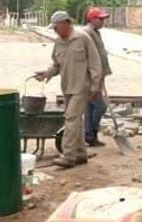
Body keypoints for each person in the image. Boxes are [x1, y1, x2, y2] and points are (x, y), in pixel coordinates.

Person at [35, 11, 102, 168]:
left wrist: (95, 85)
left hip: (82, 86)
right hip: (67, 87)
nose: (55, 31)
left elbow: (95, 63)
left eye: (56, 27)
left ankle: (68, 155)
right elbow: (57, 65)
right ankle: (80, 153)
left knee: (70, 118)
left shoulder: (82, 38)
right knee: (76, 121)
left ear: (66, 23)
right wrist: (47, 73)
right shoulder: (59, 42)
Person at [83, 7, 112, 147]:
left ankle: (89, 135)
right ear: (92, 19)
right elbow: (91, 59)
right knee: (100, 106)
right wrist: (97, 79)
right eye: (100, 19)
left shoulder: (95, 33)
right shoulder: (87, 33)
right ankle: (91, 132)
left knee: (90, 107)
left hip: (96, 76)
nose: (102, 21)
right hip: (91, 77)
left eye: (103, 19)